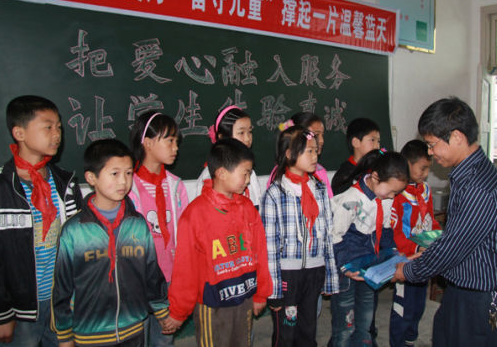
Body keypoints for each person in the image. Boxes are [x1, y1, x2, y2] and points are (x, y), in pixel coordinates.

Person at [393, 97, 497, 347]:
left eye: (432, 145)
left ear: (456, 137)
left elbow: (453, 247)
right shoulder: (470, 175)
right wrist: (425, 258)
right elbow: (460, 239)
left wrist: (408, 271)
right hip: (465, 290)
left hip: (484, 301)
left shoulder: (477, 185)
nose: (430, 153)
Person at [52, 139, 172, 347]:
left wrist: (161, 310)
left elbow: (152, 273)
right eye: (114, 174)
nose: (123, 181)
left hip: (134, 328)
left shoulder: (137, 224)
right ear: (91, 178)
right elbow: (62, 288)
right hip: (89, 334)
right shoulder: (74, 230)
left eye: (128, 173)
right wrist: (64, 336)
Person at [0, 95, 83, 347]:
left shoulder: (65, 183)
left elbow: (78, 242)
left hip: (61, 299)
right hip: (22, 308)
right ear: (19, 132)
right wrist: (1, 315)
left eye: (59, 127)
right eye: (48, 127)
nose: (57, 134)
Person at [167, 138, 272, 347]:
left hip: (244, 299)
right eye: (245, 173)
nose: (249, 180)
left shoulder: (248, 208)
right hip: (212, 305)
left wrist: (261, 293)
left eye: (249, 173)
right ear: (222, 173)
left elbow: (260, 252)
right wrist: (179, 311)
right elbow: (186, 268)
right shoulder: (196, 214)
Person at [261, 125, 339, 347]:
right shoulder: (275, 194)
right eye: (309, 151)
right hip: (288, 275)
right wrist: (274, 290)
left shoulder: (320, 189)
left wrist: (330, 277)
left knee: (308, 330)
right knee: (286, 334)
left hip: (314, 271)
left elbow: (327, 235)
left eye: (316, 151)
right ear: (289, 154)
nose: (315, 156)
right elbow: (270, 246)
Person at [329, 149, 408, 347]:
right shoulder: (351, 200)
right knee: (345, 326)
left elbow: (386, 229)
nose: (392, 196)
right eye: (390, 191)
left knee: (365, 322)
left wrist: (392, 256)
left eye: (396, 193)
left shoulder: (387, 199)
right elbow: (334, 237)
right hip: (347, 270)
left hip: (369, 269)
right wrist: (345, 267)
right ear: (375, 177)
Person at [128, 111, 189, 347]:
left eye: (176, 142)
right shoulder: (128, 185)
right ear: (148, 142)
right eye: (170, 140)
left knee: (164, 340)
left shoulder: (175, 186)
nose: (175, 148)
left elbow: (183, 238)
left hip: (170, 280)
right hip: (138, 281)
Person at [389, 140, 441, 347]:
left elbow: (430, 220)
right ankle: (398, 342)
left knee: (419, 303)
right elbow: (395, 232)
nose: (426, 173)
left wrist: (437, 237)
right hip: (406, 258)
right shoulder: (398, 194)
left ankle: (411, 338)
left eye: (429, 168)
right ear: (407, 164)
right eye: (423, 168)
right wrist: (415, 248)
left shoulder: (425, 190)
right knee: (404, 306)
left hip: (423, 256)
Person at [195, 105, 262, 209]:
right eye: (241, 133)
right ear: (222, 137)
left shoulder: (250, 173)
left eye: (250, 132)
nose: (247, 138)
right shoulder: (210, 176)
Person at [267, 112, 333, 198]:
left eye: (322, 135)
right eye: (316, 135)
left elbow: (330, 203)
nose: (321, 140)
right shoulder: (279, 175)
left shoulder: (320, 171)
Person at [331, 118, 381, 195]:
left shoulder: (376, 168)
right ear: (356, 143)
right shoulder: (345, 176)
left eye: (378, 141)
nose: (377, 146)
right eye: (372, 140)